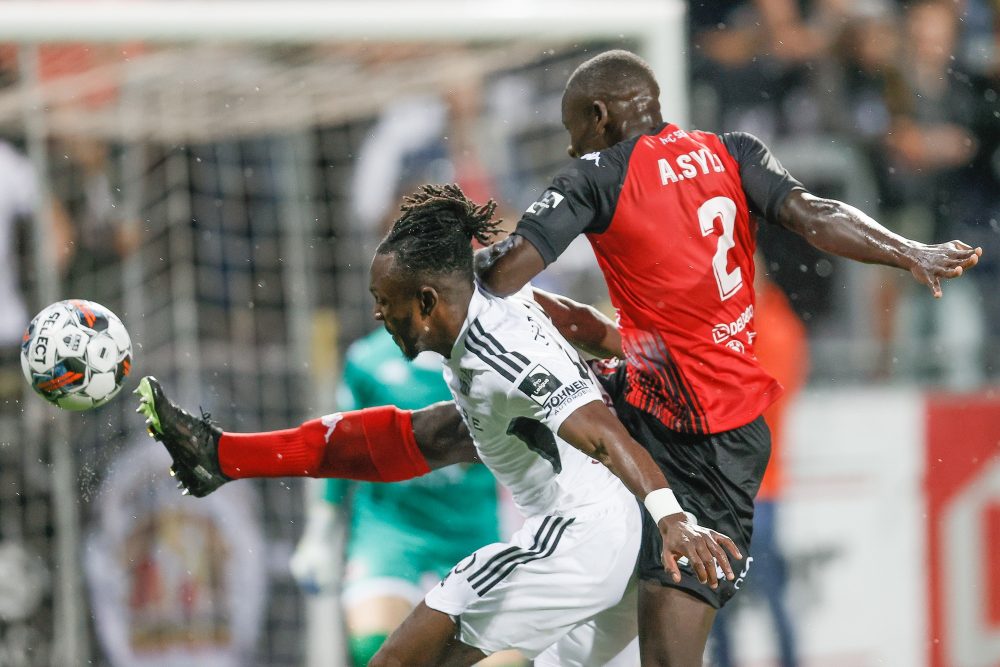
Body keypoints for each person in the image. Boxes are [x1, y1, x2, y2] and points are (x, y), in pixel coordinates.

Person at [471, 49, 981, 665]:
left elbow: (502, 276)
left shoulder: (597, 174)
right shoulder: (732, 150)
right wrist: (908, 250)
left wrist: (459, 250)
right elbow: (815, 215)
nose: (572, 143)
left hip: (690, 431)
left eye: (571, 126)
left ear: (599, 115)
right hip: (712, 428)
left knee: (484, 425)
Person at [138, 184, 741, 666]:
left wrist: (673, 518)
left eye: (385, 301)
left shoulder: (497, 352)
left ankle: (222, 457)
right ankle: (223, 456)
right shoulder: (490, 299)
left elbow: (601, 432)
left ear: (426, 302)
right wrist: (638, 351)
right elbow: (569, 322)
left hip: (580, 539)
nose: (378, 314)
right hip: (598, 538)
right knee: (428, 433)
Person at [289, 326, 522, 667]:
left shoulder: (499, 360)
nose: (379, 309)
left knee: (506, 660)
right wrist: (320, 532)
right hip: (392, 531)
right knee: (377, 648)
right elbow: (341, 446)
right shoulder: (368, 360)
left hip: (472, 533)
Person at [710, 256, 808, 667]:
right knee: (747, 600)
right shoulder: (778, 326)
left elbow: (745, 404)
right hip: (752, 487)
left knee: (733, 600)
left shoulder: (767, 330)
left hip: (751, 489)